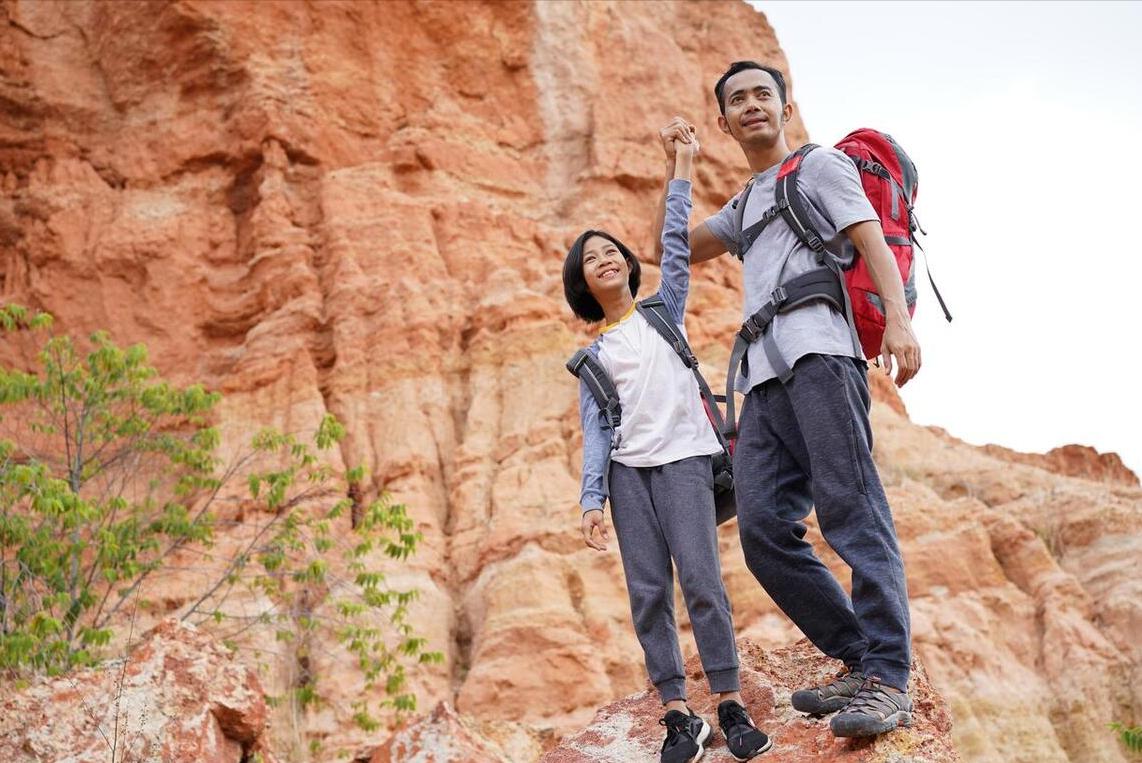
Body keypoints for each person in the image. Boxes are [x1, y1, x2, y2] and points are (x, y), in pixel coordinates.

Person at [652, 60, 920, 739]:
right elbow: (677, 247)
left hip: (822, 356)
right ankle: (859, 659)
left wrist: (898, 318)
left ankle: (889, 676)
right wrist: (680, 168)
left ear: (786, 106)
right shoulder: (746, 200)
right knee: (764, 528)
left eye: (761, 95)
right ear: (722, 121)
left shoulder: (821, 166)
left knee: (850, 509)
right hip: (763, 381)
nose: (750, 106)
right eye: (736, 100)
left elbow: (867, 240)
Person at [564, 125, 771, 762]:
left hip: (684, 462)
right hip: (630, 477)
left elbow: (677, 247)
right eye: (588, 258)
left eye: (610, 251)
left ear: (628, 265)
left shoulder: (664, 312)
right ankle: (678, 714)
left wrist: (678, 165)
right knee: (648, 592)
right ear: (583, 282)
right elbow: (596, 435)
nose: (602, 259)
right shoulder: (591, 358)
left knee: (704, 582)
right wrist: (591, 500)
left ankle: (730, 703)